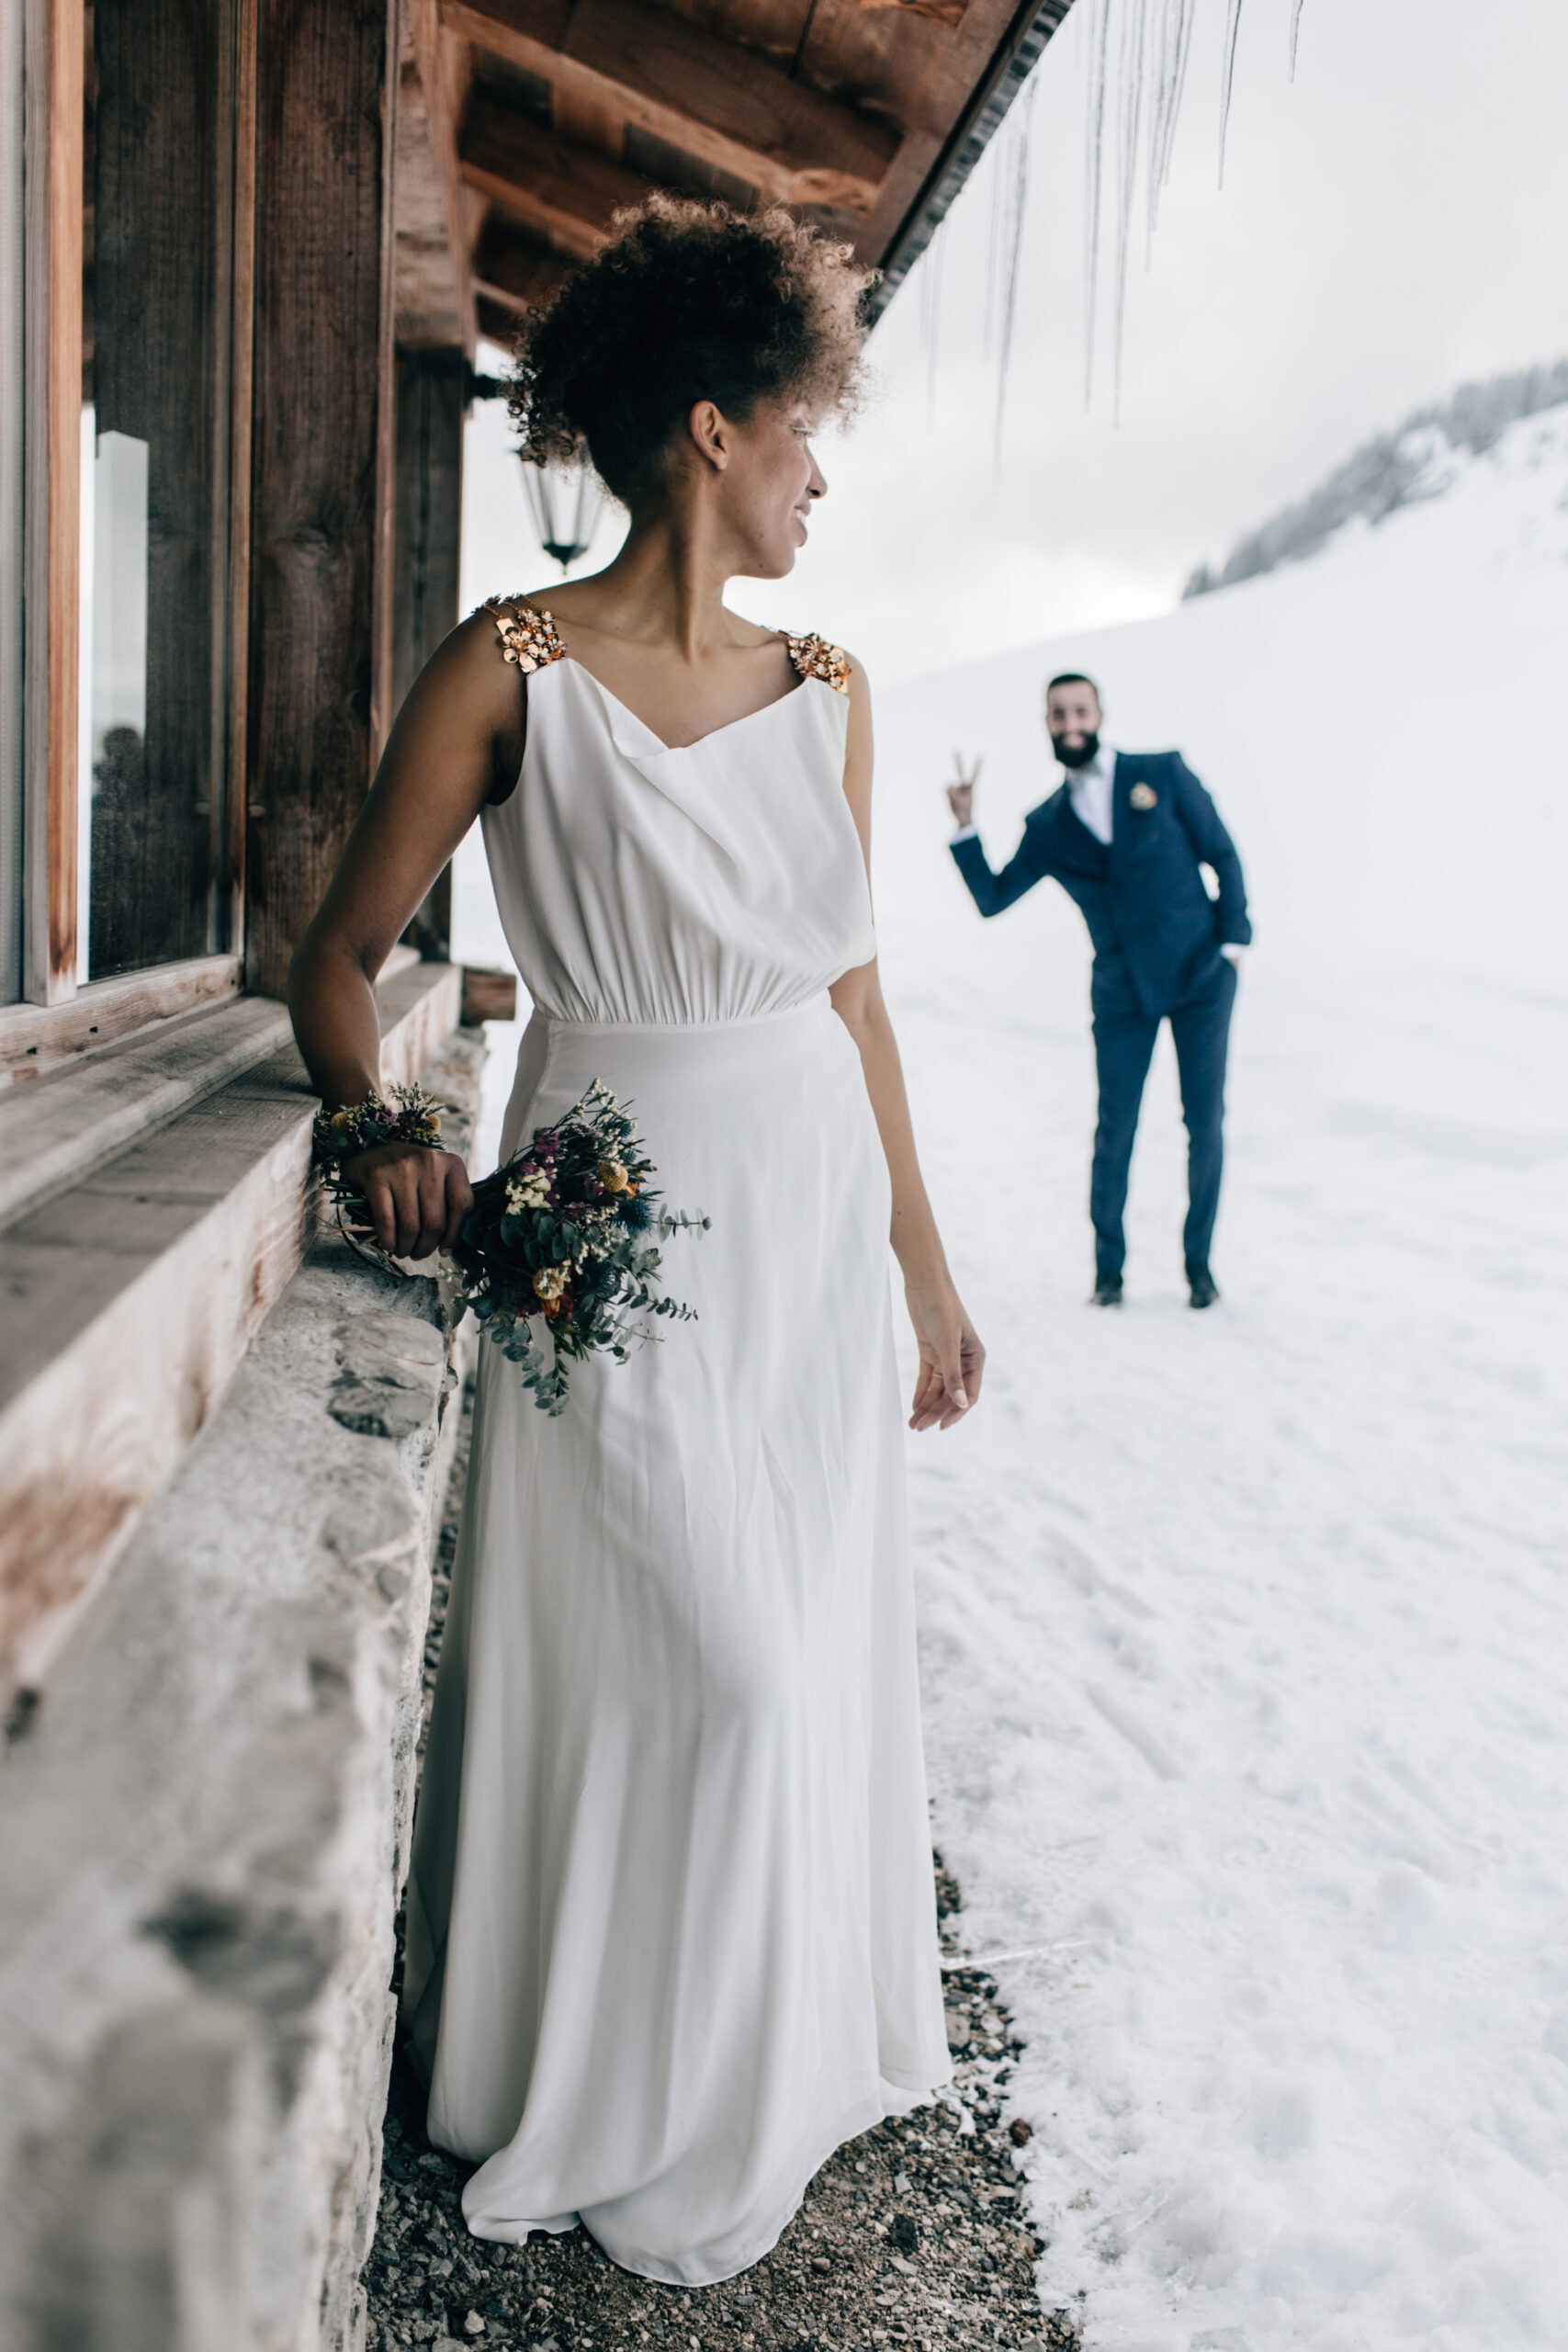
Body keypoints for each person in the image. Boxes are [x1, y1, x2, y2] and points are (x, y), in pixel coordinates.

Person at [288, 197, 983, 2287]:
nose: (814, 473)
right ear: (706, 428)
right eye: (797, 431)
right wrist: (385, 1113)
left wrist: (922, 1271)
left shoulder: (833, 687)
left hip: (799, 1213)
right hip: (599, 1205)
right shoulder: (505, 669)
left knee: (790, 1625)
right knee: (709, 1657)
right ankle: (598, 2068)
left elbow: (853, 994)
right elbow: (335, 958)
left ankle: (755, 2041)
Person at [946, 672, 1249, 1307]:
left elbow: (1220, 851)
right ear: (1047, 724)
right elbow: (992, 897)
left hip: (1201, 978)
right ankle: (1107, 1273)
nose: (1070, 723)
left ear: (1100, 713)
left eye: (1079, 710)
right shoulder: (1047, 825)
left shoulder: (1161, 773)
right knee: (1115, 1128)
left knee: (1205, 1123)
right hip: (1120, 992)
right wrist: (965, 826)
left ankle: (1199, 1266)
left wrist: (1232, 943)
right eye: (1058, 714)